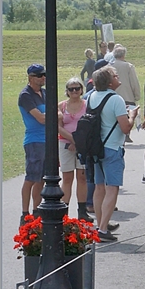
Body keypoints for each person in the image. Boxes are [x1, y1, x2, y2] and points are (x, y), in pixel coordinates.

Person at [88, 66, 138, 241]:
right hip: (112, 147)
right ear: (110, 82)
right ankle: (102, 229)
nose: (118, 77)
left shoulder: (92, 96)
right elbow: (125, 128)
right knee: (112, 188)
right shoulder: (116, 99)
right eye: (115, 76)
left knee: (99, 187)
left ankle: (100, 224)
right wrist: (131, 115)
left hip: (96, 148)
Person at [18, 64, 46, 222]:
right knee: (31, 177)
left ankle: (37, 210)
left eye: (44, 75)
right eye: (39, 75)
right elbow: (40, 118)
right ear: (30, 77)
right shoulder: (26, 95)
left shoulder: (44, 93)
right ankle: (24, 213)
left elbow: (59, 114)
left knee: (42, 179)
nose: (42, 78)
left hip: (47, 140)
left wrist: (51, 114)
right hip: (34, 141)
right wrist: (53, 114)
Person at [57, 78, 88, 218]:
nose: (74, 91)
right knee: (67, 178)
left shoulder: (87, 105)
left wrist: (78, 143)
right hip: (65, 144)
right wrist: (72, 140)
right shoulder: (61, 106)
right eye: (71, 89)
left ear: (82, 90)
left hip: (83, 145)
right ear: (67, 91)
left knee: (82, 177)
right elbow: (58, 127)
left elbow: (89, 125)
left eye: (77, 88)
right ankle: (64, 211)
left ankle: (82, 211)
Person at [112, 44, 142, 146]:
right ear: (123, 55)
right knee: (127, 115)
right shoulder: (128, 66)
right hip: (127, 95)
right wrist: (137, 95)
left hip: (113, 96)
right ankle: (126, 134)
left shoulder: (109, 66)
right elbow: (134, 82)